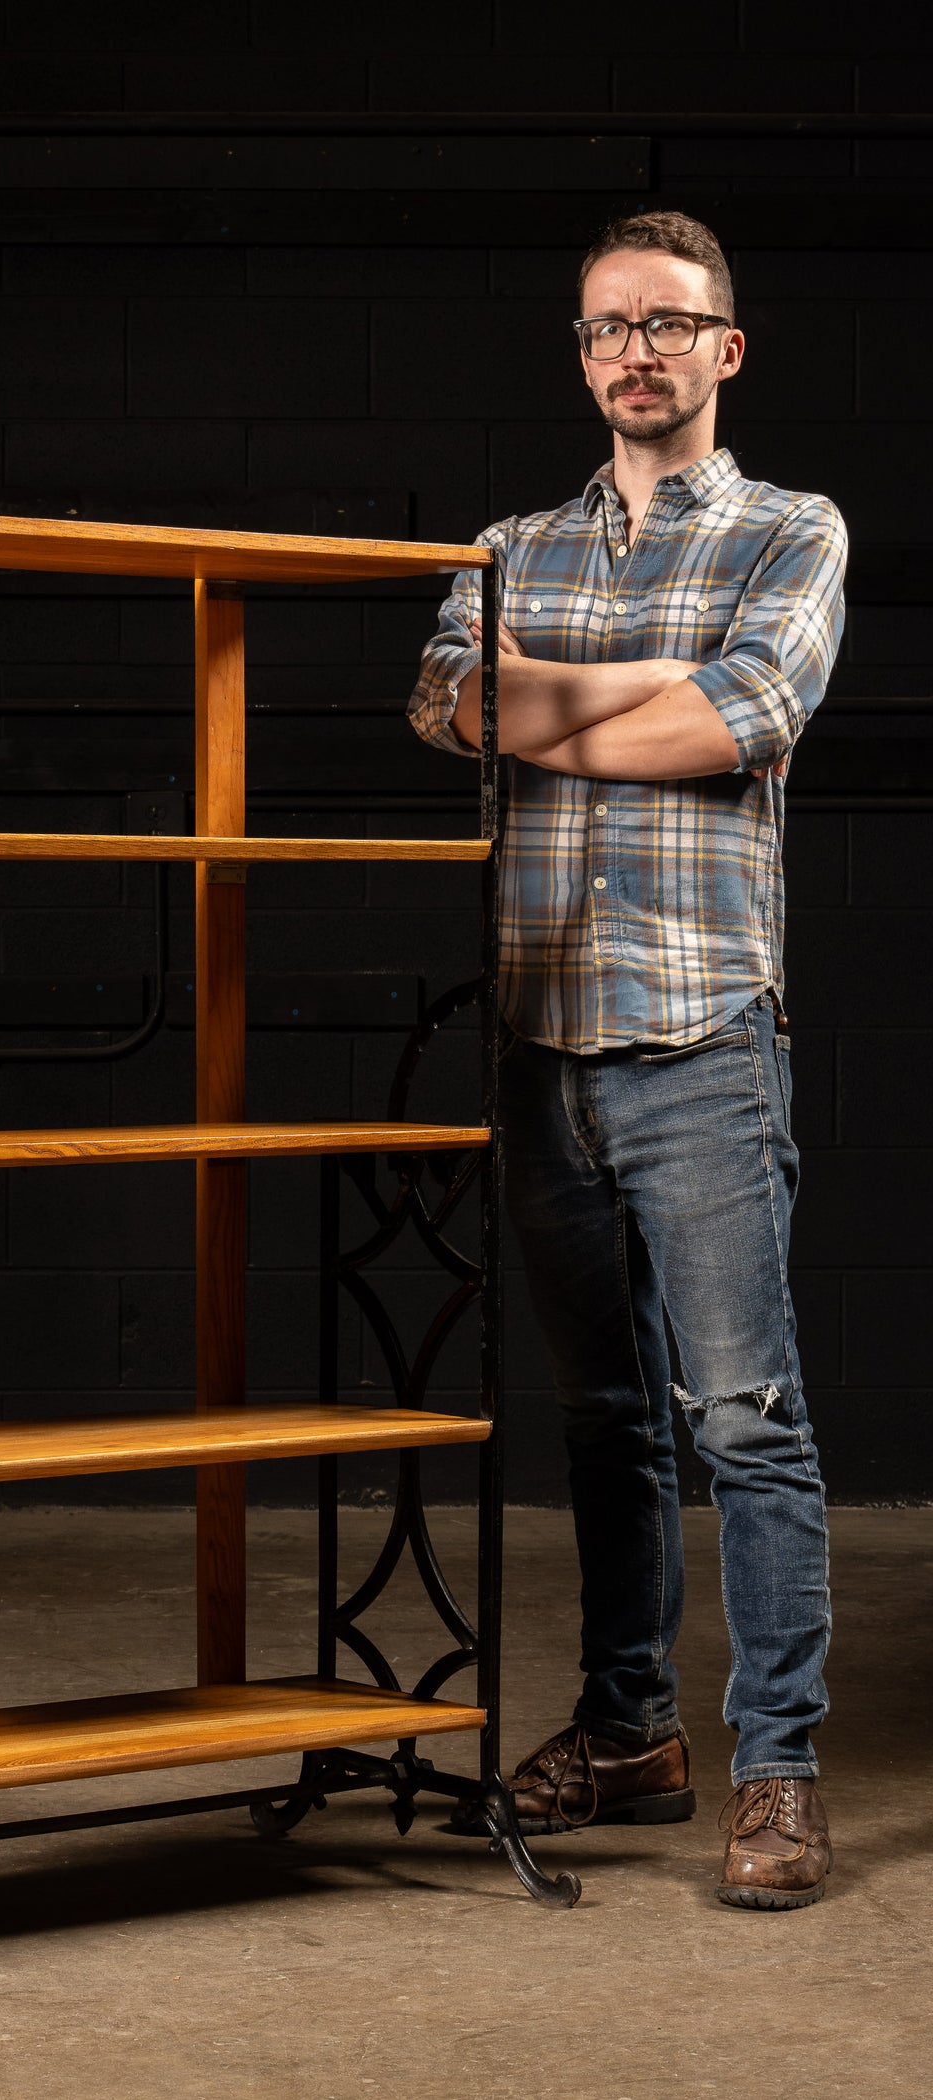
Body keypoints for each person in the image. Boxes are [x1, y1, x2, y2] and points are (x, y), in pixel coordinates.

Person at [408, 211, 847, 1909]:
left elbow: (739, 722)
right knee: (603, 1417)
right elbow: (452, 706)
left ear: (724, 349)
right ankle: (631, 1731)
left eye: (668, 325)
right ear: (582, 354)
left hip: (701, 1044)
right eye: (606, 329)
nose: (634, 353)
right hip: (542, 1043)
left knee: (746, 1419)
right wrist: (632, 687)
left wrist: (567, 701)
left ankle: (781, 1771)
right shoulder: (510, 543)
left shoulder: (789, 532)